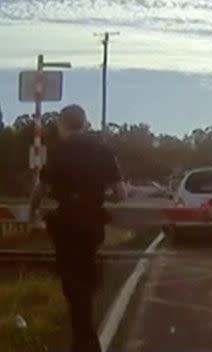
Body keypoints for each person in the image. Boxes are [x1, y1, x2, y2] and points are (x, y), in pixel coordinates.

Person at [28, 104, 127, 352]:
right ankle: (85, 337)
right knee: (84, 278)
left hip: (66, 223)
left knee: (73, 285)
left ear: (63, 123)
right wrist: (99, 195)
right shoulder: (103, 150)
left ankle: (85, 342)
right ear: (84, 123)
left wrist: (32, 216)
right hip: (92, 222)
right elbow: (121, 193)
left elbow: (41, 189)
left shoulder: (60, 151)